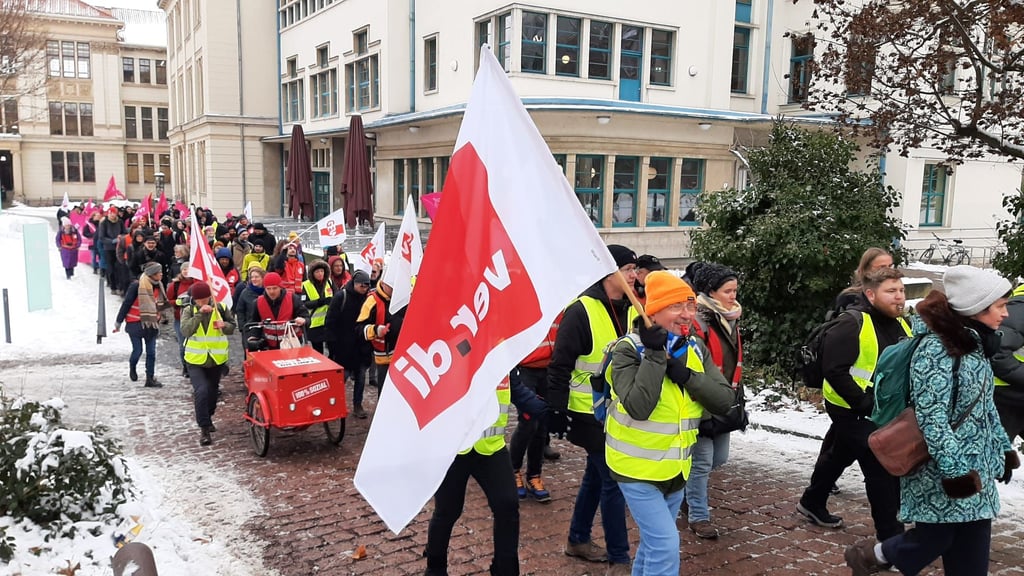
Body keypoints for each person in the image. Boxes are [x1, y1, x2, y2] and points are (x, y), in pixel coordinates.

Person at [845, 265, 1020, 576]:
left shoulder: (976, 346)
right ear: (976, 308)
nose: (1005, 314)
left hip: (974, 468)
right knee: (935, 537)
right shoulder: (937, 350)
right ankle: (874, 555)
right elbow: (932, 418)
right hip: (940, 471)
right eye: (1000, 306)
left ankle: (877, 555)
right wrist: (956, 473)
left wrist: (1002, 449)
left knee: (970, 554)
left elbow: (984, 407)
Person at [607, 271, 735, 576]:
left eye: (691, 306)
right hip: (636, 469)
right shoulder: (626, 350)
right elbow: (639, 406)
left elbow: (723, 400)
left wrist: (686, 375)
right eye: (677, 306)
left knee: (654, 546)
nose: (687, 315)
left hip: (676, 470)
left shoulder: (692, 348)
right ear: (654, 311)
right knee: (664, 547)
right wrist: (654, 355)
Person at [798, 267, 909, 543]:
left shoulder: (902, 323)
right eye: (891, 291)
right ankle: (891, 540)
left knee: (840, 453)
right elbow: (834, 370)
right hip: (852, 409)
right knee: (881, 467)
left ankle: (812, 501)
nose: (899, 297)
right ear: (870, 294)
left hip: (886, 411)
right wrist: (864, 404)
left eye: (901, 290)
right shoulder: (851, 323)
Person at [547, 244, 638, 574]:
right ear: (609, 271)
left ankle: (577, 538)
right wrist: (556, 410)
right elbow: (559, 365)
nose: (634, 275)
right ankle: (619, 557)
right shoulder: (581, 310)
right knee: (612, 479)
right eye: (628, 269)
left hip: (620, 410)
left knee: (596, 478)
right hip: (588, 413)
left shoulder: (632, 308)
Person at [423, 372, 548, 576]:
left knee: (507, 505)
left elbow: (516, 389)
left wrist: (549, 411)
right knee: (447, 511)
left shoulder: (502, 349)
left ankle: (505, 569)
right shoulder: (455, 346)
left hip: (490, 448)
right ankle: (435, 568)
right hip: (454, 449)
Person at [685, 262, 747, 539]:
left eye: (735, 290)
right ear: (710, 292)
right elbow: (697, 368)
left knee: (718, 459)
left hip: (725, 400)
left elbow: (734, 362)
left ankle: (682, 488)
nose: (733, 296)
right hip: (702, 402)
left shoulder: (729, 319)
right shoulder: (698, 323)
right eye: (727, 291)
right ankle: (698, 515)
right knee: (702, 461)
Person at [180, 281, 236, 446]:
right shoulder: (189, 311)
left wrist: (224, 325)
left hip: (215, 358)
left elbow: (232, 327)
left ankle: (209, 416)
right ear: (194, 300)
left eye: (205, 299)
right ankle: (204, 428)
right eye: (199, 300)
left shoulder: (221, 308)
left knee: (212, 393)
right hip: (195, 359)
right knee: (201, 391)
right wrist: (199, 315)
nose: (202, 302)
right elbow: (186, 330)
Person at [324, 270, 373, 418]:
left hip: (361, 346)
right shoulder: (341, 296)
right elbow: (330, 321)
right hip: (343, 346)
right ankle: (332, 404)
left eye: (367, 287)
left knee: (360, 377)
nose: (364, 289)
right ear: (356, 284)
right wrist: (332, 345)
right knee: (341, 379)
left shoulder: (368, 298)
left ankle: (357, 405)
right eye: (362, 287)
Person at [114, 262, 169, 387]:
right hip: (135, 323)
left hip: (151, 323)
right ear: (152, 274)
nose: (161, 274)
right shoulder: (136, 286)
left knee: (151, 352)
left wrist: (161, 315)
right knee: (138, 351)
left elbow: (160, 303)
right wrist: (119, 322)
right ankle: (132, 366)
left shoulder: (159, 285)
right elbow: (126, 303)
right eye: (159, 272)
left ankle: (150, 378)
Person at [356, 279, 405, 391]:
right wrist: (376, 330)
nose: (394, 290)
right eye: (391, 286)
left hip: (404, 355)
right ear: (383, 283)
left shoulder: (404, 297)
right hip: (384, 357)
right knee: (384, 391)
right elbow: (359, 328)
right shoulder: (372, 300)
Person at [992, 283, 1024, 446]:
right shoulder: (1020, 308)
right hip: (1006, 396)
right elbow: (998, 352)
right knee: (997, 458)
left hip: (1016, 393)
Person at [247, 271, 308, 350]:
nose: (271, 292)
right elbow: (254, 322)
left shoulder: (293, 299)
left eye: (275, 288)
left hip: (291, 344)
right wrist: (254, 337)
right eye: (268, 289)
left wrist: (303, 320)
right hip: (269, 346)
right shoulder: (258, 302)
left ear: (280, 287)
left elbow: (306, 317)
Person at [166, 271, 197, 377]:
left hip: (196, 318)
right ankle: (185, 367)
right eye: (184, 269)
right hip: (180, 318)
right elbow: (168, 301)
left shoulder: (198, 282)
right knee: (183, 345)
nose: (187, 272)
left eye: (189, 269)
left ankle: (195, 367)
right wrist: (178, 302)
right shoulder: (175, 285)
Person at [301, 260, 333, 354]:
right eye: (317, 272)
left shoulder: (329, 282)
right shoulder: (305, 285)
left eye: (322, 271)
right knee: (318, 352)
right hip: (314, 324)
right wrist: (320, 302)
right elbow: (305, 304)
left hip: (328, 322)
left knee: (332, 349)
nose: (320, 274)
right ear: (312, 273)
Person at [98, 207, 124, 292]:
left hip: (119, 247)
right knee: (111, 267)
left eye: (114, 213)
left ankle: (120, 285)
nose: (113, 215)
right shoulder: (104, 223)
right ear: (108, 213)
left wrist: (121, 237)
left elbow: (124, 232)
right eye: (111, 213)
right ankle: (113, 286)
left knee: (119, 267)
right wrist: (112, 241)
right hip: (109, 248)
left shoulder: (120, 221)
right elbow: (101, 237)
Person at [234, 266, 266, 332]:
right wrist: (243, 328)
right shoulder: (245, 293)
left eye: (256, 277)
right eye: (252, 277)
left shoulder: (268, 292)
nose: (254, 279)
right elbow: (240, 311)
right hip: (250, 328)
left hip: (266, 328)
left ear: (262, 278)